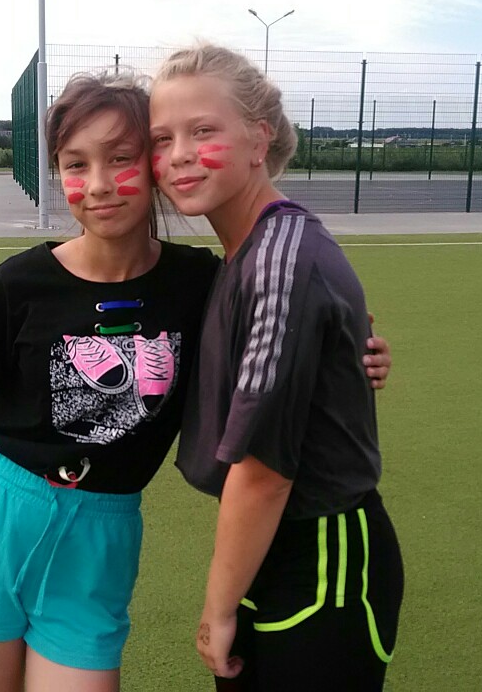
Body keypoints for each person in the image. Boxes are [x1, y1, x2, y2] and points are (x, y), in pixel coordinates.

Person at [0, 71, 393, 692]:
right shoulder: (19, 283)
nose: (99, 185)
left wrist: (356, 353)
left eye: (121, 158)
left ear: (153, 167)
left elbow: (292, 329)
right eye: (75, 165)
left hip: (99, 540)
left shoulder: (200, 283)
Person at [150, 44, 405, 691]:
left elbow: (264, 473)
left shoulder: (278, 261)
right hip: (270, 550)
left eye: (202, 130)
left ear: (259, 139)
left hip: (324, 559)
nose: (179, 154)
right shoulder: (246, 252)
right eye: (162, 139)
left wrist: (217, 607)